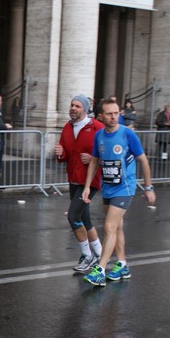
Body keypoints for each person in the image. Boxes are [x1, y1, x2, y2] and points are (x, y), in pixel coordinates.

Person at [82, 99, 156, 287]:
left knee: (109, 227)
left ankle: (100, 270)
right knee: (117, 227)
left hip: (125, 188)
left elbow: (144, 161)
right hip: (108, 187)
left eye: (116, 113)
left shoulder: (127, 134)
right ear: (101, 116)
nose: (114, 117)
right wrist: (87, 186)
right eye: (109, 113)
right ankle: (122, 264)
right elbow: (94, 162)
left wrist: (148, 188)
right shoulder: (99, 136)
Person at [54, 94, 104, 272]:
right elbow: (66, 155)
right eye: (72, 105)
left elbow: (106, 155)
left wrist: (93, 158)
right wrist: (60, 154)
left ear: (85, 109)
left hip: (90, 180)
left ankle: (87, 255)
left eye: (77, 106)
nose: (73, 108)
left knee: (73, 216)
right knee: (84, 218)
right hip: (73, 178)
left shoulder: (97, 127)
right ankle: (100, 253)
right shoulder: (67, 128)